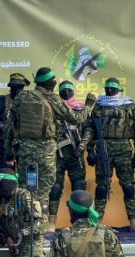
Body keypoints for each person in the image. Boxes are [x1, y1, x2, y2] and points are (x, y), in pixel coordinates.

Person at [3, 67, 92, 214]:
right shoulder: (52, 98)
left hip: (24, 152)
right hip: (46, 154)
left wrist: (9, 152)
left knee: (25, 189)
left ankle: (23, 223)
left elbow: (8, 127)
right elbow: (76, 118)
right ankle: (40, 227)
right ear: (51, 83)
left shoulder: (21, 97)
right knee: (43, 192)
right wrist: (88, 105)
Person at [85, 77, 135, 232]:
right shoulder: (98, 105)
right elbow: (92, 129)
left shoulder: (128, 105)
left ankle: (133, 220)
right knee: (102, 187)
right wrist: (90, 151)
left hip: (124, 149)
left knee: (128, 186)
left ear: (119, 89)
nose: (110, 91)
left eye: (113, 88)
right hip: (104, 149)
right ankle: (97, 220)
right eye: (107, 88)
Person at [47, 80, 94, 232]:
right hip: (57, 155)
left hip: (76, 155)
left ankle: (81, 222)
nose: (66, 92)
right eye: (63, 90)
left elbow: (88, 129)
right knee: (55, 188)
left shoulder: (81, 109)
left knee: (79, 187)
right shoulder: (53, 108)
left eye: (69, 90)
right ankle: (51, 221)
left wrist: (82, 146)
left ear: (73, 92)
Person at [0, 73, 30, 172]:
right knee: (4, 176)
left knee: (26, 178)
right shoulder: (1, 101)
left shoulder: (31, 102)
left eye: (19, 87)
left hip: (25, 145)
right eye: (13, 87)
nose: (16, 89)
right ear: (10, 87)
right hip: (5, 144)